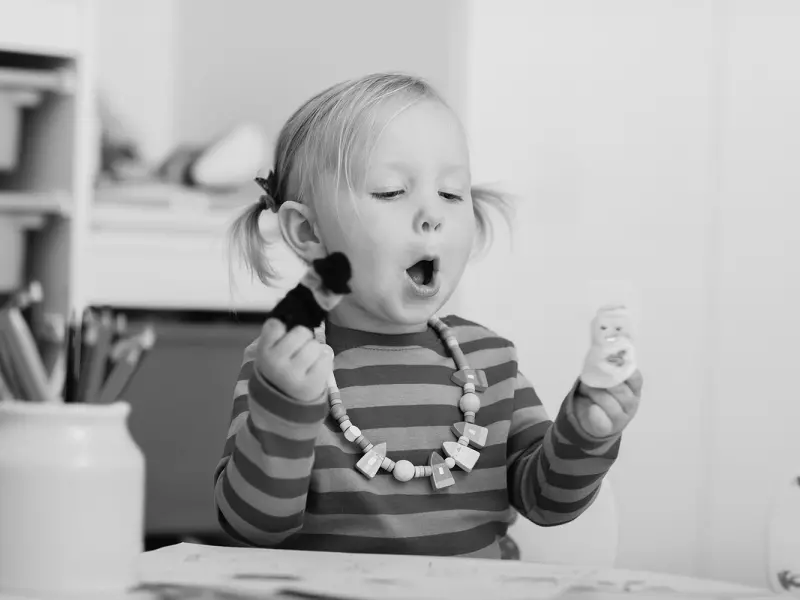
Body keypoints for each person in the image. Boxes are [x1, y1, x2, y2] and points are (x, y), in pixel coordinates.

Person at [215, 72, 643, 558]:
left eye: (452, 193)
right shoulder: (284, 367)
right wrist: (284, 410)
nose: (432, 215)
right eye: (390, 191)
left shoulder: (491, 360)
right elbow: (252, 527)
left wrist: (586, 434)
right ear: (308, 231)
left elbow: (546, 501)